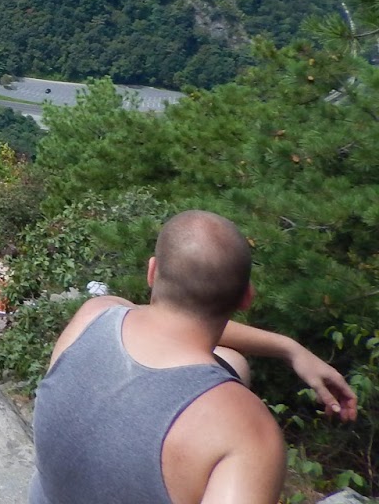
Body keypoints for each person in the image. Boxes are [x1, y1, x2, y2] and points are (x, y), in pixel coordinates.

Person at [31, 210, 358, 504]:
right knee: (229, 369)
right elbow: (194, 325)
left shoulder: (95, 314)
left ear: (152, 270)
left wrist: (290, 349)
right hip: (207, 424)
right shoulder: (248, 433)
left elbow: (172, 323)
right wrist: (291, 348)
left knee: (233, 361)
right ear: (246, 298)